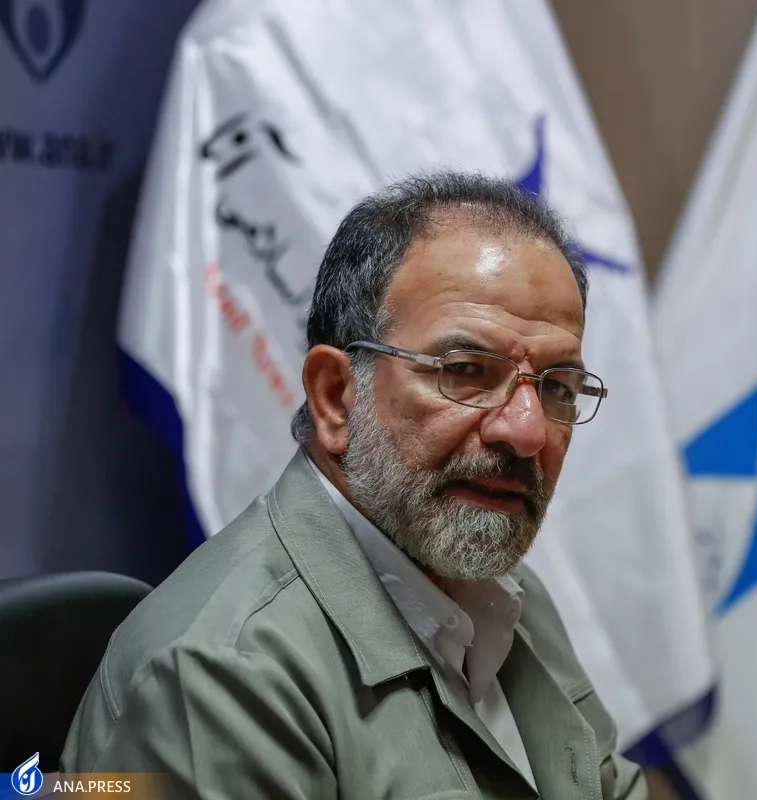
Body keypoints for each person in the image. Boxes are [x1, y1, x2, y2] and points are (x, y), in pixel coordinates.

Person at [61, 172, 648, 799]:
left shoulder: (507, 595)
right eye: (466, 371)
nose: (527, 430)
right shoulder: (218, 677)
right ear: (336, 397)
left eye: (557, 387)